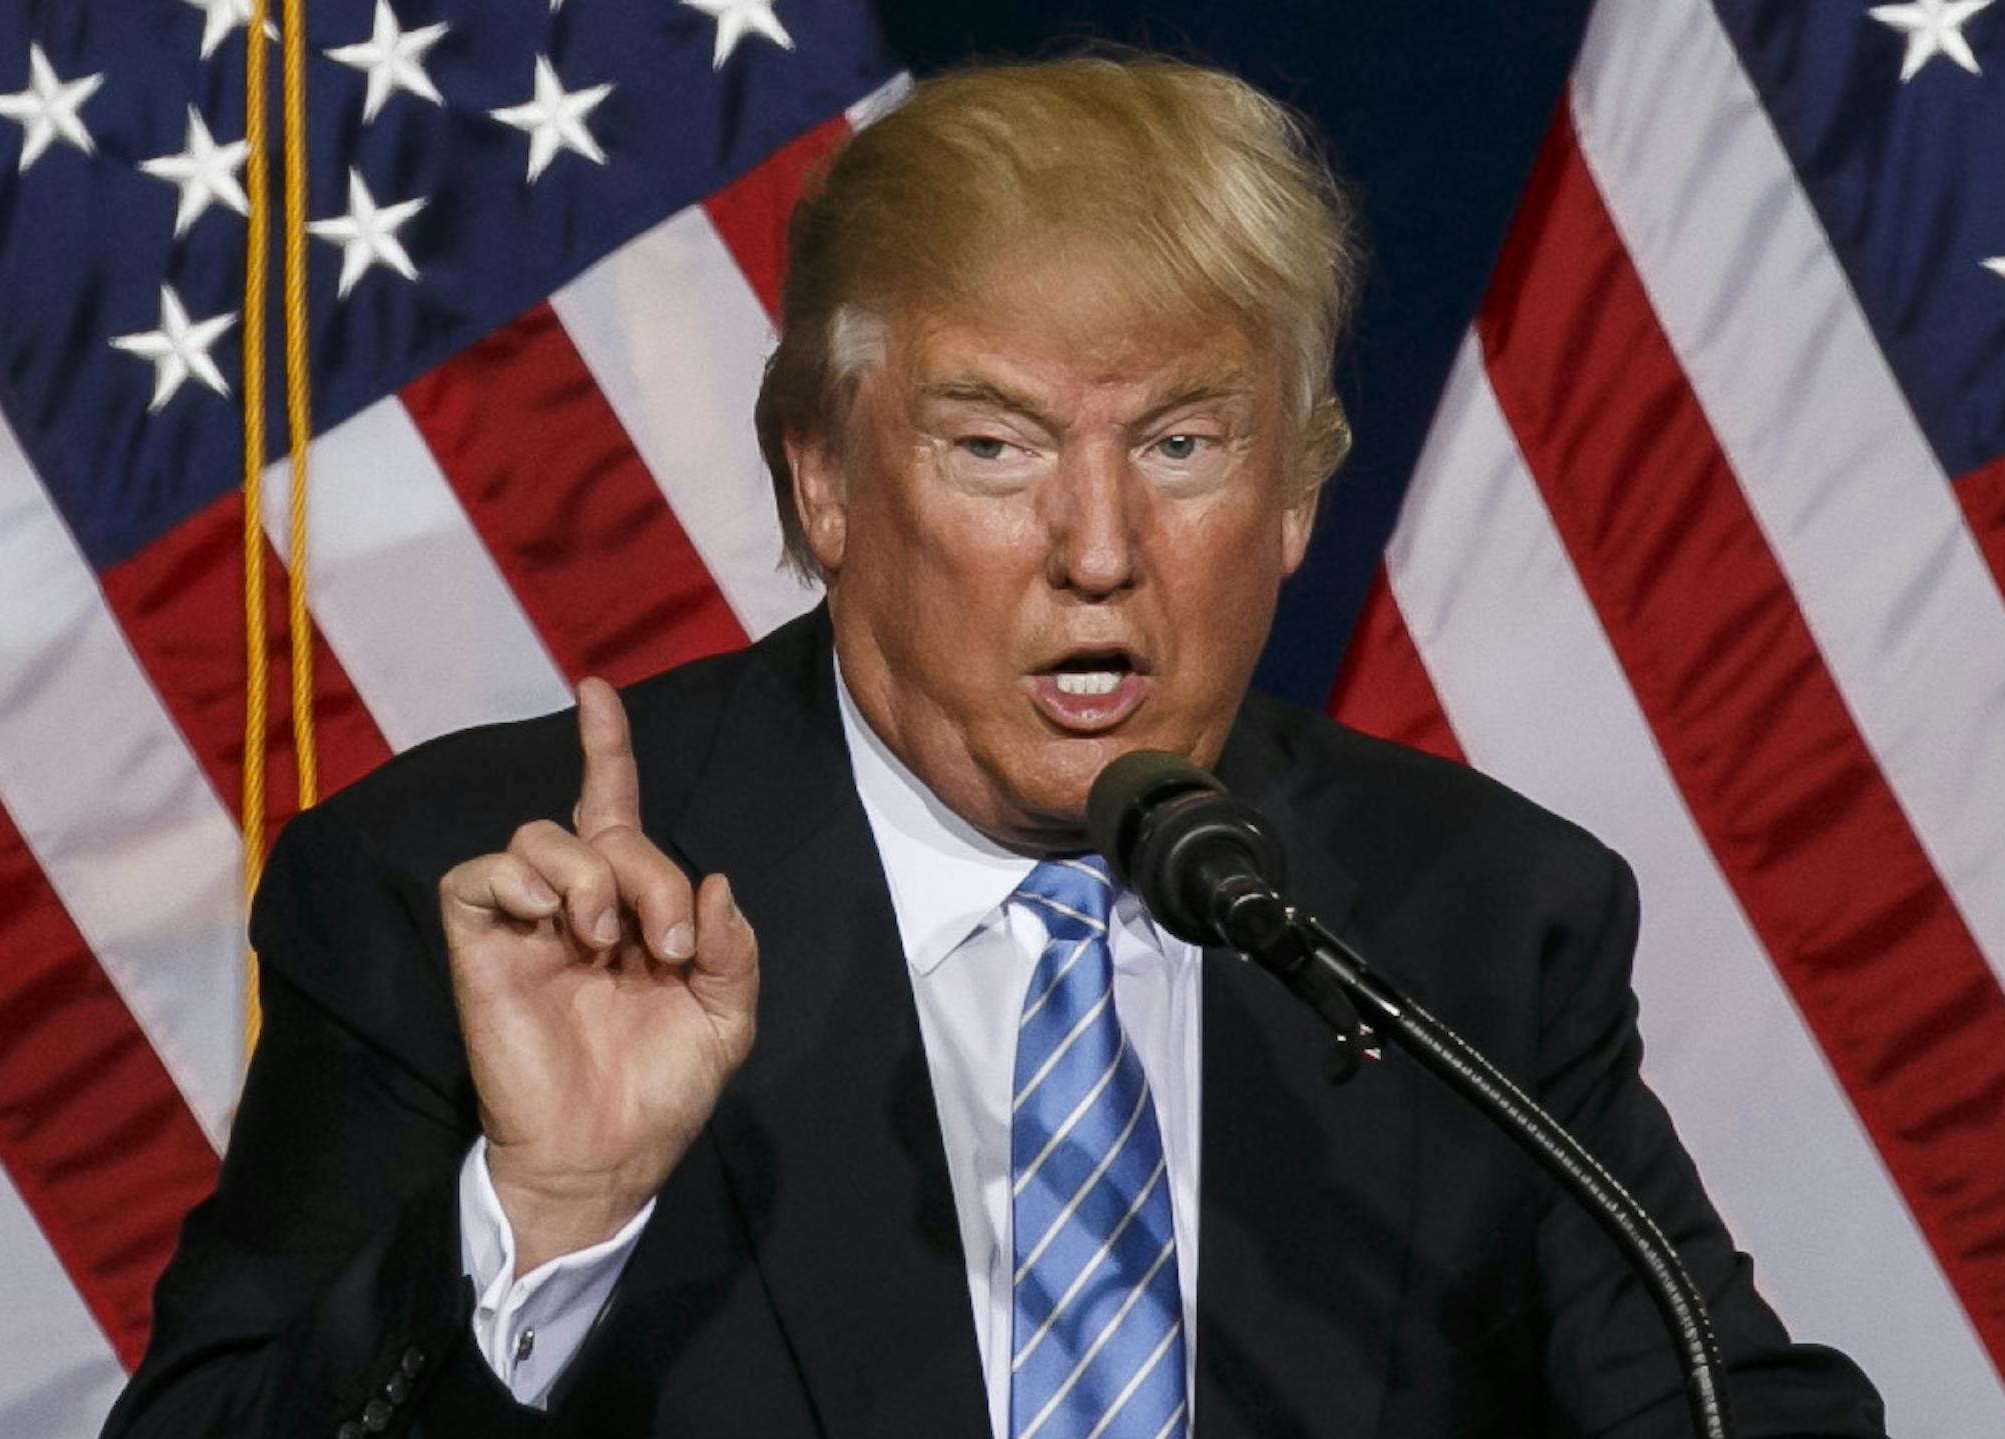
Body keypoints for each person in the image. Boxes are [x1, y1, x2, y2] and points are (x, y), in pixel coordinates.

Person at [105, 53, 1887, 1439]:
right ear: (823, 481)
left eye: (1184, 445)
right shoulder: (483, 892)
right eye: (994, 446)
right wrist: (543, 1214)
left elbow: (1715, 1399)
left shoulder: (1476, 919)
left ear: (1296, 497)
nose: (1099, 547)